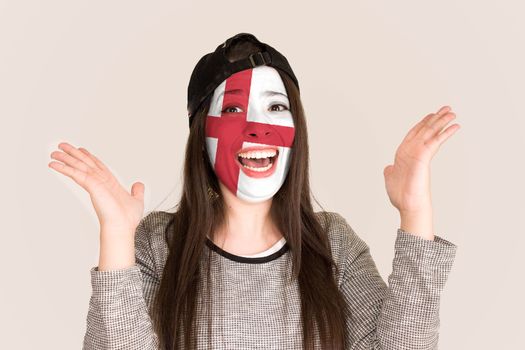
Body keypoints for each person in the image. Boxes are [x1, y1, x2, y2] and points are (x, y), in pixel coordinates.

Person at [48, 33, 460, 349]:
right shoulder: (160, 243)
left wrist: (415, 214)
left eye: (276, 108)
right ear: (201, 136)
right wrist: (117, 237)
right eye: (231, 109)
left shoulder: (332, 243)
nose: (257, 127)